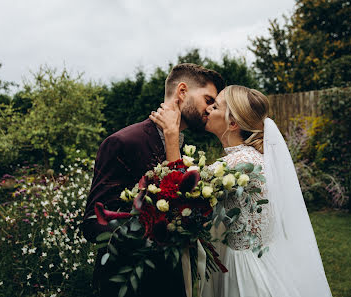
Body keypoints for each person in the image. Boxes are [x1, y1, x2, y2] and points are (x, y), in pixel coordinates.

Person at [150, 85, 333, 297]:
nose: (208, 109)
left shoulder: (240, 162)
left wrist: (171, 135)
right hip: (258, 258)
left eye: (216, 106)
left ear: (233, 123)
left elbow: (184, 197)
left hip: (246, 270)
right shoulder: (247, 157)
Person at [81, 63, 225, 297]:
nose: (210, 109)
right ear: (182, 91)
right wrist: (150, 227)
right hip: (129, 283)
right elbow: (92, 224)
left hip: (172, 279)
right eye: (208, 99)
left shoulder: (183, 148)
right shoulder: (123, 142)